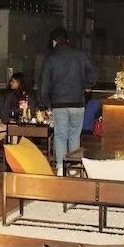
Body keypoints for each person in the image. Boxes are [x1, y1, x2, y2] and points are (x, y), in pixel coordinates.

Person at [39, 26, 97, 175]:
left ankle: (60, 168)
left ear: (54, 41)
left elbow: (44, 84)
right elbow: (92, 75)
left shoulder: (50, 57)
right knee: (74, 135)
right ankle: (73, 168)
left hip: (59, 104)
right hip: (78, 103)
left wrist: (43, 105)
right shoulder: (80, 54)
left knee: (60, 135)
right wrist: (87, 85)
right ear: (68, 40)